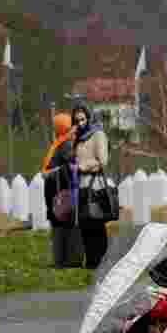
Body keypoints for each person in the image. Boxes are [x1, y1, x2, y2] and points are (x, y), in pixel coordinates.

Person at [71, 103, 110, 269]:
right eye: (77, 120)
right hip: (80, 186)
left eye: (82, 119)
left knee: (96, 224)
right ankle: (91, 261)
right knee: (85, 225)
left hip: (95, 185)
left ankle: (101, 261)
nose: (80, 123)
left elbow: (102, 161)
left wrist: (82, 166)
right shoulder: (78, 138)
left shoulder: (98, 135)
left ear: (88, 118)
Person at [42, 112, 84, 268]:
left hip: (54, 194)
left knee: (58, 227)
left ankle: (60, 260)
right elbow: (72, 165)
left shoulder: (56, 145)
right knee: (70, 227)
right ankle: (71, 260)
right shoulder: (65, 145)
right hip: (65, 193)